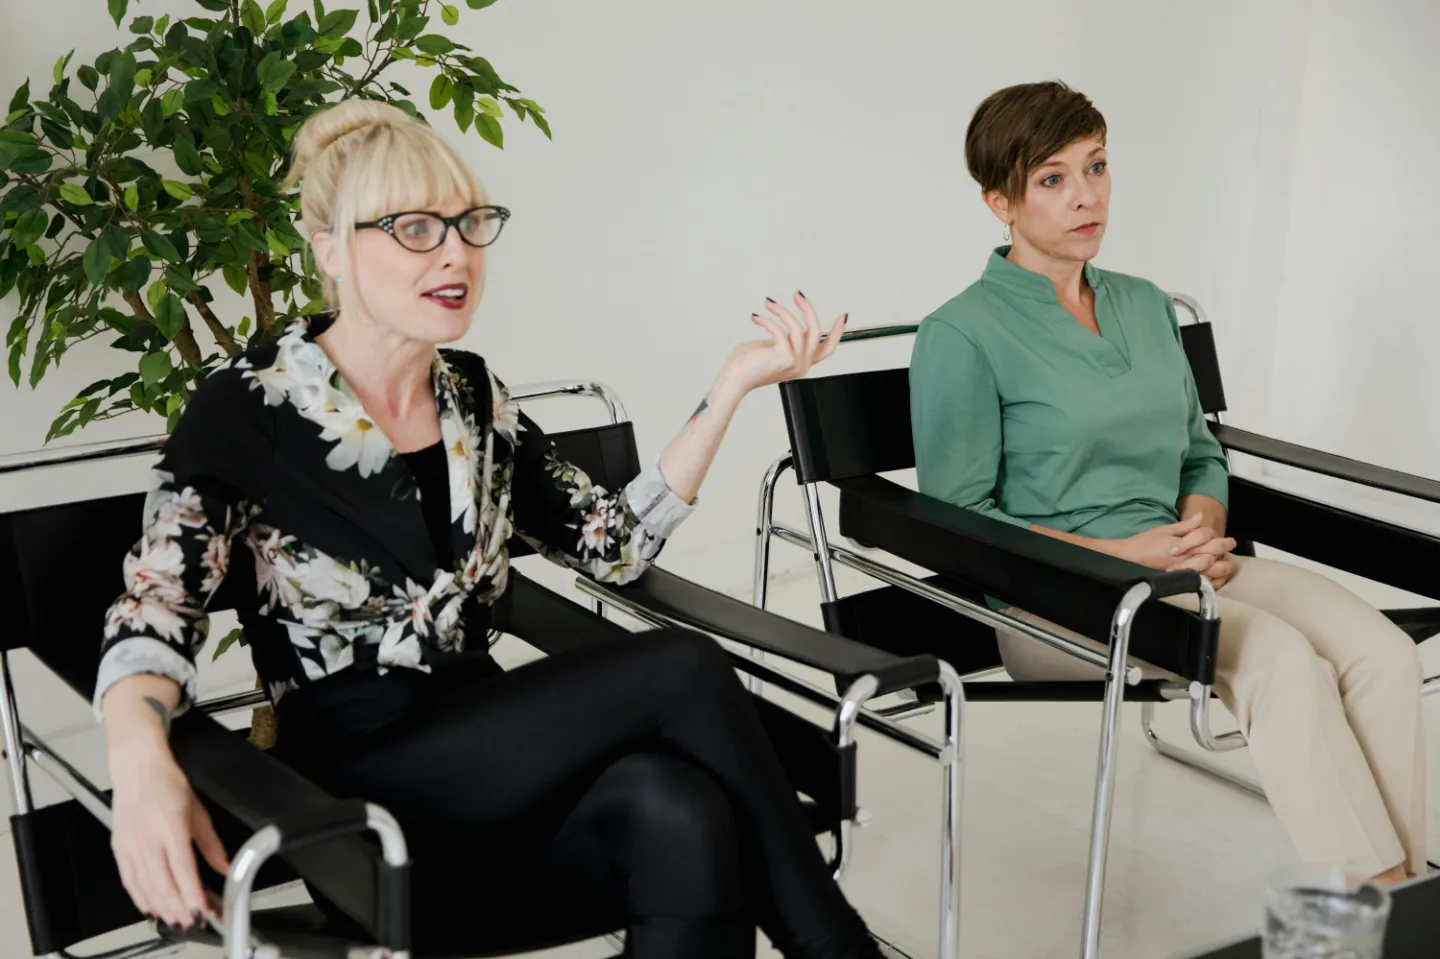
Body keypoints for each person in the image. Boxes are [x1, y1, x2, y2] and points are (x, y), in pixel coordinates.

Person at [96, 99, 881, 959]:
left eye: (470, 223)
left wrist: (731, 387)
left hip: (489, 756)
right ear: (329, 249)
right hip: (356, 799)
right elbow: (153, 608)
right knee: (682, 667)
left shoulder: (471, 394)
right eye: (414, 227)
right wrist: (138, 765)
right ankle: (838, 949)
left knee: (678, 809)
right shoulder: (251, 405)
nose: (456, 253)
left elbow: (609, 542)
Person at [909, 81, 1426, 884]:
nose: (1086, 196)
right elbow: (956, 522)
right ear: (998, 201)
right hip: (1060, 601)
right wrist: (1124, 553)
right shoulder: (962, 333)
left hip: (1188, 563)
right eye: (1052, 178)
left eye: (1097, 166)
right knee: (1282, 662)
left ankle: (1411, 888)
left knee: (1383, 655)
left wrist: (1198, 522)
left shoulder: (1147, 306)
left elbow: (1198, 452)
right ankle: (1377, 904)